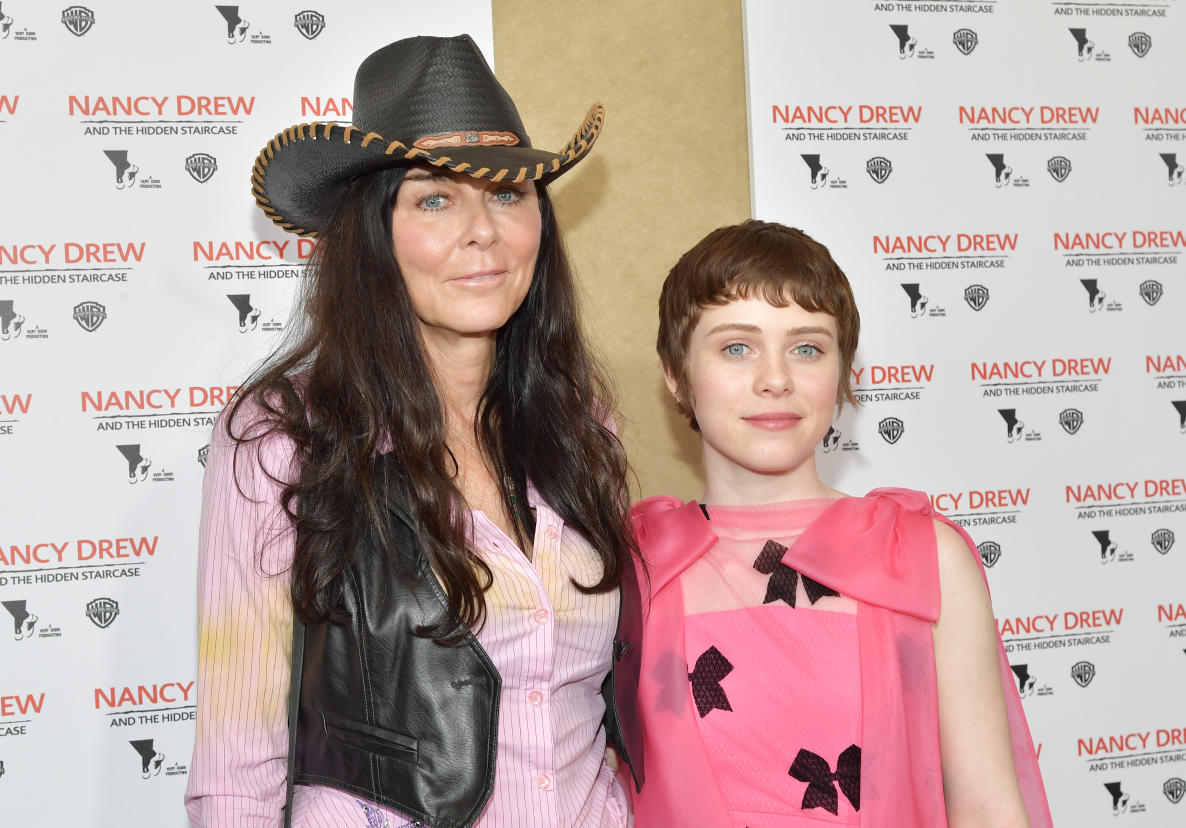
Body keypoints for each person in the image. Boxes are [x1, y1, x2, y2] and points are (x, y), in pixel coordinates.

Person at [185, 34, 642, 828]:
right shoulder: (280, 438)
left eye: (507, 193)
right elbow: (236, 763)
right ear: (374, 233)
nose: (484, 231)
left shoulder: (579, 421)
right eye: (435, 198)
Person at [630, 220, 1052, 827]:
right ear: (676, 373)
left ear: (841, 373)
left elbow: (987, 808)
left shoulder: (919, 556)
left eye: (807, 348)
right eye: (736, 347)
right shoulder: (635, 564)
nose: (775, 378)